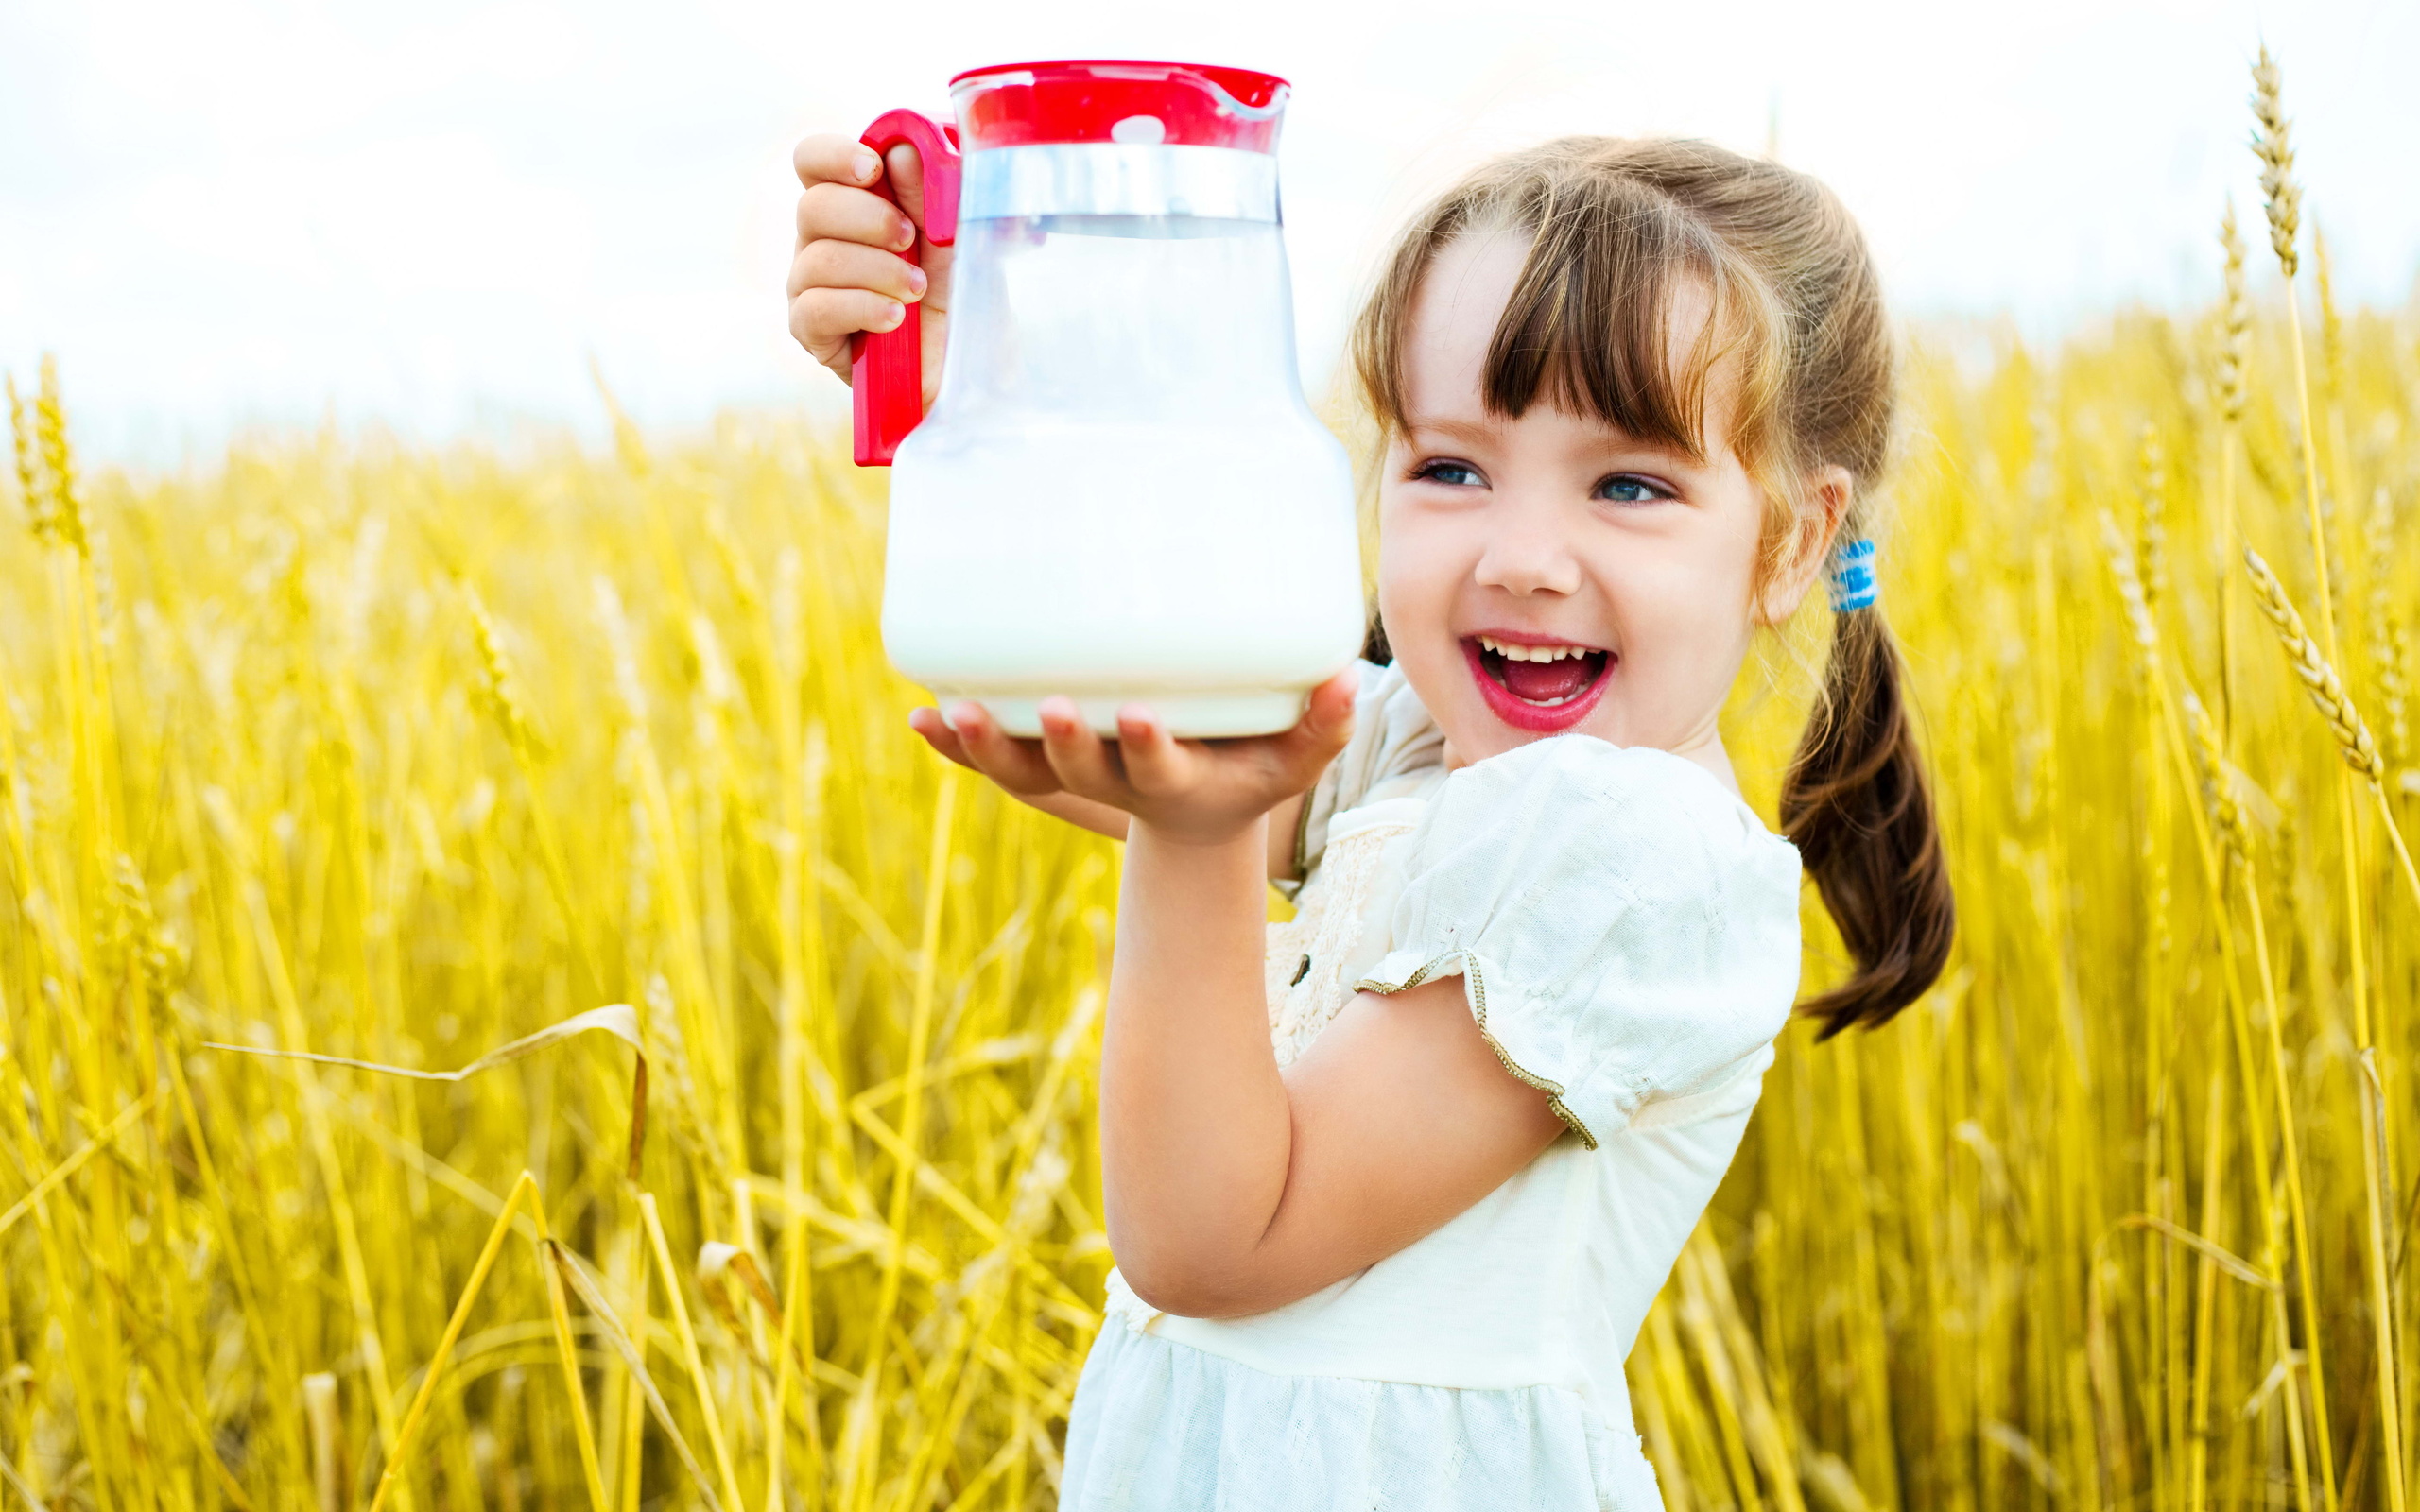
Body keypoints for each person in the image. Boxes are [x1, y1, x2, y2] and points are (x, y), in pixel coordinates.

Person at [787, 129, 1954, 1510]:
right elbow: (1119, 649)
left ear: (1793, 543)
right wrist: (974, 342)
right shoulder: (1428, 749)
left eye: (1630, 485)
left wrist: (1200, 838)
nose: (1521, 558)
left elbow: (1212, 1246)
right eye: (1451, 468)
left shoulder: (1638, 866)